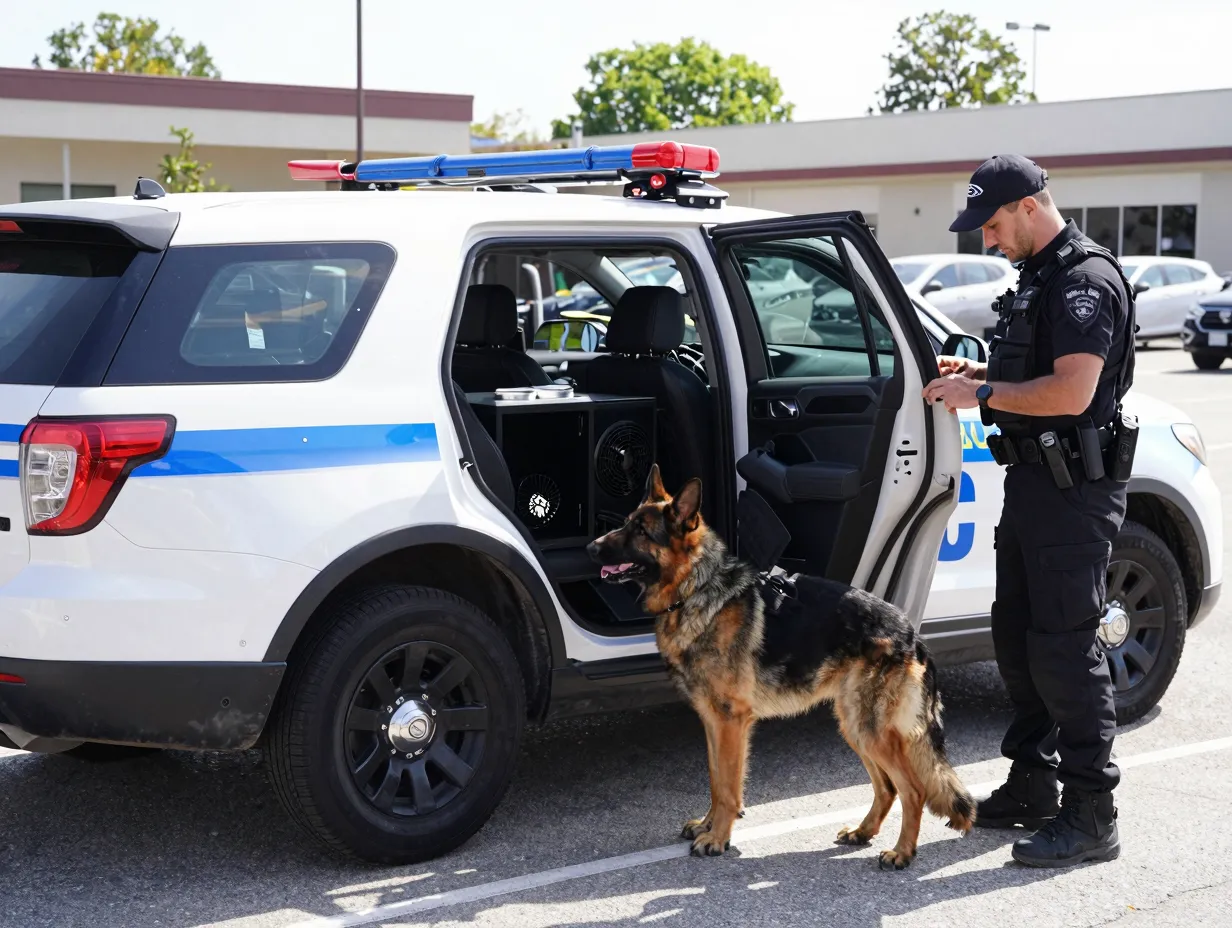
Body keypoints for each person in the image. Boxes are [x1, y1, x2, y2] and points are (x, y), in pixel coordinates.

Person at [923, 154, 1137, 868]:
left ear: (1027, 207)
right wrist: (981, 375)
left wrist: (980, 400)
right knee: (1017, 636)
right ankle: (1034, 785)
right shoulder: (1041, 279)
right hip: (1035, 488)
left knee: (1067, 648)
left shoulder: (1084, 281)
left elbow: (1073, 393)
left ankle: (1091, 813)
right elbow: (1036, 373)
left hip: (1074, 495)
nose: (986, 241)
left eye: (991, 225)